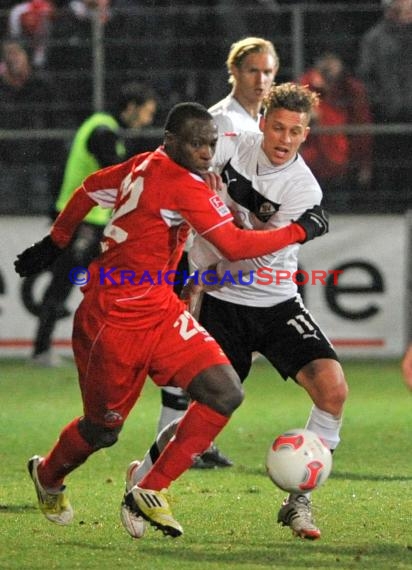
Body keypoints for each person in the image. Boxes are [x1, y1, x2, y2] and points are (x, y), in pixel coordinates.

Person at [14, 101, 328, 538]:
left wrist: (55, 241)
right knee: (103, 430)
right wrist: (302, 229)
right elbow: (235, 246)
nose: (205, 152)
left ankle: (150, 489)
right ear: (171, 141)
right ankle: (47, 474)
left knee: (224, 392)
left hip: (159, 309)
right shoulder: (183, 185)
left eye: (211, 144)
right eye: (196, 143)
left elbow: (88, 188)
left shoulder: (142, 164)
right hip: (112, 319)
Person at [122, 84, 347, 541]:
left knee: (332, 389)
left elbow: (255, 257)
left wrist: (226, 202)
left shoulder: (304, 188)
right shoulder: (228, 142)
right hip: (222, 307)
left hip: (275, 301)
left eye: (295, 132)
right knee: (205, 415)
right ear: (261, 121)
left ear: (306, 135)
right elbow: (179, 161)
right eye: (277, 127)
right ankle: (141, 482)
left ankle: (298, 500)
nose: (283, 139)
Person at [157, 36, 280, 469]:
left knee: (213, 349)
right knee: (187, 344)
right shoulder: (219, 120)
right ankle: (168, 439)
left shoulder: (263, 123)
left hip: (234, 252)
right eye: (252, 70)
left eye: (268, 71)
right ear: (235, 72)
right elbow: (185, 173)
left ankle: (194, 440)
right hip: (204, 250)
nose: (261, 79)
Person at [30, 81, 158, 367]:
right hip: (81, 222)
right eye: (146, 112)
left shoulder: (100, 127)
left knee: (98, 285)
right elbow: (113, 171)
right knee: (68, 284)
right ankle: (41, 351)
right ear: (131, 108)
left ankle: (96, 347)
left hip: (88, 221)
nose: (148, 119)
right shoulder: (104, 131)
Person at [299, 52, 373, 211]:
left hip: (344, 167)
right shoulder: (303, 87)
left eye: (332, 60)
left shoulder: (352, 89)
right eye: (325, 59)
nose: (329, 66)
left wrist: (364, 163)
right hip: (313, 167)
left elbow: (362, 127)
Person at [357, 0, 412, 211]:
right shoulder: (375, 38)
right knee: (390, 162)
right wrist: (381, 102)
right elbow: (366, 75)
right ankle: (392, 206)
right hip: (388, 114)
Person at [0, 38, 62, 215]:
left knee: (37, 211)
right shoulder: (2, 87)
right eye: (8, 54)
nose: (13, 58)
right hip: (6, 161)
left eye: (16, 52)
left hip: (39, 159)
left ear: (27, 55)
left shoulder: (42, 85)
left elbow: (55, 119)